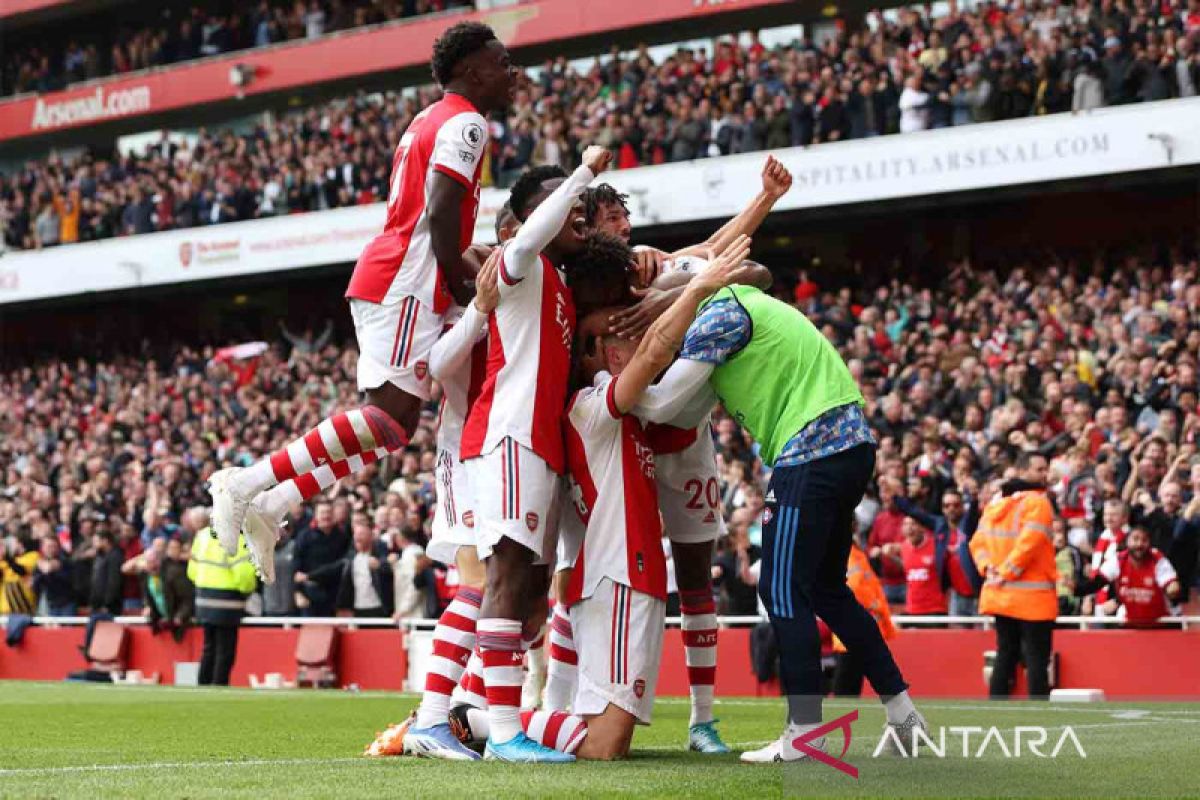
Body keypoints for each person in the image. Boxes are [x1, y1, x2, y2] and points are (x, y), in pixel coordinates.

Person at [208, 21, 518, 578]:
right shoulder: (468, 124)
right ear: (472, 69)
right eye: (501, 61)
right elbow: (440, 214)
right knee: (385, 416)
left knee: (396, 427)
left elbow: (437, 216)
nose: (511, 72)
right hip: (407, 283)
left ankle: (275, 504)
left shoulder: (431, 117)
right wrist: (464, 281)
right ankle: (246, 482)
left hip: (398, 278)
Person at [626, 266, 924, 762]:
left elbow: (660, 406)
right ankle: (903, 712)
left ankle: (805, 734)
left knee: (781, 590)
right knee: (826, 590)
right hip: (849, 448)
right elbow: (684, 410)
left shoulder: (716, 314)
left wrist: (610, 386)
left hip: (809, 451)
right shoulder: (745, 308)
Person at [569, 156, 791, 753]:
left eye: (623, 217)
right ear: (583, 227)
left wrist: (763, 199)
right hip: (621, 434)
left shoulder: (658, 266)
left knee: (696, 576)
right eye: (607, 218)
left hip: (683, 435)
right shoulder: (580, 282)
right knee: (581, 567)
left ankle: (702, 720)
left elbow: (734, 259)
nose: (620, 228)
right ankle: (565, 700)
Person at [457, 145, 610, 762]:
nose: (574, 209)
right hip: (509, 437)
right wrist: (582, 173)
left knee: (528, 595)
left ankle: (479, 714)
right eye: (559, 202)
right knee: (508, 578)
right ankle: (505, 733)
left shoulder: (564, 288)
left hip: (541, 445)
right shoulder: (517, 261)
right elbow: (527, 235)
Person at [399, 245, 506, 756]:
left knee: (513, 591)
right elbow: (438, 365)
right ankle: (433, 716)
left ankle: (465, 707)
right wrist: (481, 308)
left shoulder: (532, 298)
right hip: (464, 455)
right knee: (480, 584)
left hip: (510, 453)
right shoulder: (461, 312)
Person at [970, 452, 1058, 699]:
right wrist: (1007, 572)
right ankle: (1038, 717)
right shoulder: (1038, 503)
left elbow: (977, 542)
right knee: (1037, 660)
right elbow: (1030, 543)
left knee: (1005, 655)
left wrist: (989, 569)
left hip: (999, 595)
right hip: (1033, 598)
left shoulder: (996, 504)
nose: (1045, 474)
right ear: (1023, 471)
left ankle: (997, 712)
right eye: (1040, 469)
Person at [188, 526, 257, 686]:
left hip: (203, 599)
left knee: (208, 648)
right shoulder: (237, 538)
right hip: (228, 602)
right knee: (225, 650)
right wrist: (248, 590)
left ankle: (203, 684)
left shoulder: (203, 535)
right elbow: (244, 576)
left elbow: (192, 570)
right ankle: (219, 685)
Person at [832, 535, 897, 696]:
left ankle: (844, 719)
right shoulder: (850, 555)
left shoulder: (854, 554)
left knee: (848, 686)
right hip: (853, 628)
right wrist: (875, 605)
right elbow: (855, 587)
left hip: (853, 629)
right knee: (847, 686)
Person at [1095, 526, 1181, 626]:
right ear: (1127, 542)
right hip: (1129, 621)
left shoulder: (1157, 559)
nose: (1139, 544)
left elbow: (1172, 586)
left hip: (1160, 621)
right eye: (1135, 539)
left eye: (1144, 540)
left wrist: (1172, 588)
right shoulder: (1118, 560)